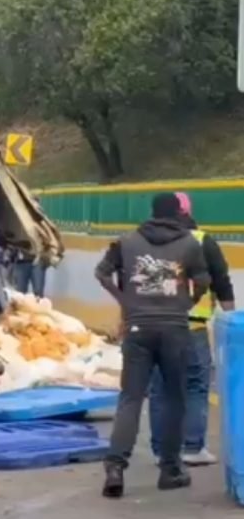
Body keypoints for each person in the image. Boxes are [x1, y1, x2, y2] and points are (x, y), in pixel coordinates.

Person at [94, 193, 210, 499]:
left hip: (137, 328)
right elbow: (204, 280)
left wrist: (125, 301)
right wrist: (187, 302)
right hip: (174, 329)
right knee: (175, 398)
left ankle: (116, 466)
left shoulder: (127, 241)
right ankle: (170, 470)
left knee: (131, 398)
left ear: (153, 212)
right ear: (178, 213)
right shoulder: (189, 244)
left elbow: (101, 272)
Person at [149, 192, 236, 466]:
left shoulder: (142, 241)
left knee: (160, 387)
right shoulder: (201, 241)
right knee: (196, 385)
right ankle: (192, 447)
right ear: (186, 212)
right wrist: (232, 318)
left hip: (154, 324)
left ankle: (162, 450)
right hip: (191, 327)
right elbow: (221, 280)